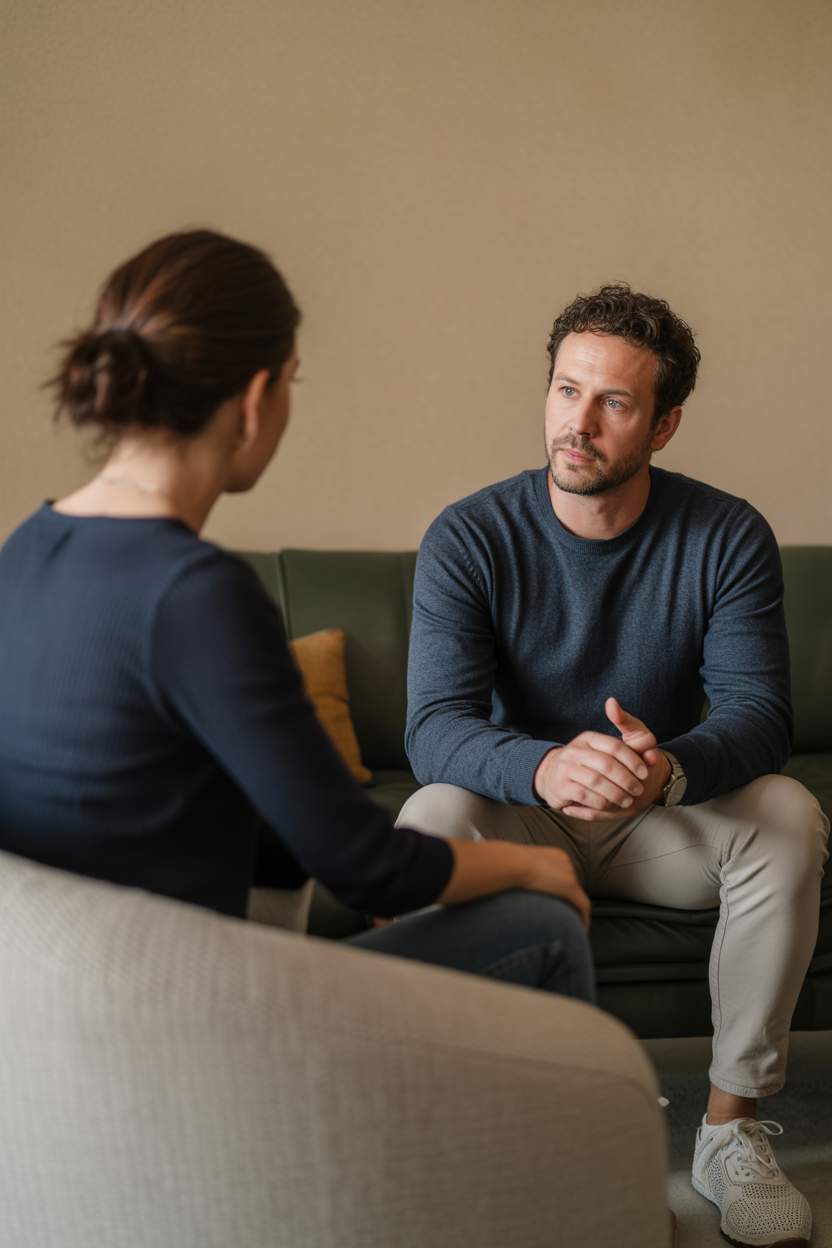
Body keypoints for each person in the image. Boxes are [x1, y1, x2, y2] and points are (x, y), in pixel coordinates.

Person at [0, 229, 598, 1006]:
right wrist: (535, 865)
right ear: (254, 400)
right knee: (540, 925)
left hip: (51, 1023)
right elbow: (364, 864)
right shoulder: (196, 592)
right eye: (291, 379)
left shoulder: (25, 550)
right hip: (184, 1022)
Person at [401, 283, 829, 1248]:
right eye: (565, 391)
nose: (578, 424)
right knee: (426, 817)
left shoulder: (727, 534)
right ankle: (478, 1129)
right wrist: (543, 767)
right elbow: (433, 728)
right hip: (522, 817)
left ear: (665, 424)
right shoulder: (469, 535)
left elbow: (763, 714)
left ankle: (729, 1133)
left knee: (792, 812)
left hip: (658, 820)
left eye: (615, 403)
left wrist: (667, 768)